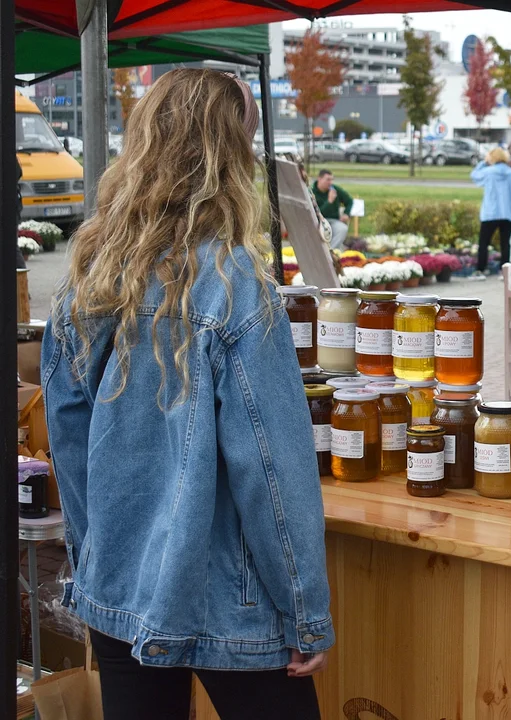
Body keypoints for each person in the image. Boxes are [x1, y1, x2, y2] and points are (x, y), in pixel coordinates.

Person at [41, 69, 332, 720]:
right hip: (231, 598)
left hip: (120, 586)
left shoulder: (90, 276)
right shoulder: (235, 288)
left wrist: (100, 563)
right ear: (233, 155)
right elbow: (272, 469)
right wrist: (305, 612)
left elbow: (69, 440)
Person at [470, 147, 511, 278]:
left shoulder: (488, 172)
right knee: (505, 243)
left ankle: (480, 270)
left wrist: (484, 162)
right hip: (508, 213)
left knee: (484, 242)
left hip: (490, 213)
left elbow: (474, 175)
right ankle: (504, 271)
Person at [311, 169, 353, 250]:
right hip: (318, 221)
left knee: (342, 228)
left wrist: (346, 213)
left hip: (333, 220)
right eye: (328, 180)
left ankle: (331, 251)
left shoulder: (334, 190)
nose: (330, 182)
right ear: (319, 179)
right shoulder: (312, 192)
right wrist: (329, 201)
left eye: (332, 180)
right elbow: (317, 213)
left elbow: (349, 201)